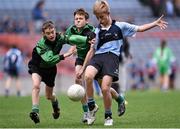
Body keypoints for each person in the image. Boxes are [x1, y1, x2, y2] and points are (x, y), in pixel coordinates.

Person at [84, 0, 168, 126]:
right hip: (98, 58)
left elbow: (140, 28)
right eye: (97, 17)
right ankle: (91, 107)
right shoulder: (97, 31)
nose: (99, 20)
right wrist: (82, 68)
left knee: (105, 88)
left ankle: (108, 116)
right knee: (88, 76)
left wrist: (155, 23)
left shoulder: (120, 26)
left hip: (111, 58)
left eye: (101, 17)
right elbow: (92, 50)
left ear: (108, 13)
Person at [28, 20, 94, 124]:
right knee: (36, 85)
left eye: (52, 32)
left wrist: (87, 39)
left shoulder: (59, 37)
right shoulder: (41, 44)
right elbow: (49, 59)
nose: (51, 35)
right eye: (48, 33)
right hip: (37, 66)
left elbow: (72, 38)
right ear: (43, 34)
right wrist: (65, 55)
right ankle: (35, 111)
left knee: (49, 96)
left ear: (55, 31)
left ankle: (55, 105)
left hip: (50, 69)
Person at [65, 8, 96, 123]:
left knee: (105, 86)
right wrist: (70, 51)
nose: (77, 21)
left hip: (93, 59)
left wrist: (84, 68)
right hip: (81, 58)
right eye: (76, 19)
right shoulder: (71, 29)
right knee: (78, 79)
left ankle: (119, 98)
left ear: (86, 21)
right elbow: (70, 40)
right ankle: (86, 111)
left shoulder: (91, 30)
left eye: (80, 18)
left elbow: (91, 50)